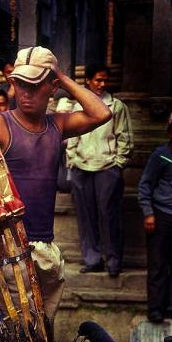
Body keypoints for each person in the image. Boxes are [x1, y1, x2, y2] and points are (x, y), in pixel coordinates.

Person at [0, 46, 111, 323]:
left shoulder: (57, 125)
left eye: (35, 85)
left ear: (52, 87)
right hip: (8, 247)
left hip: (44, 247)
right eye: (21, 84)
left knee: (43, 330)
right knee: (15, 333)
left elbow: (101, 113)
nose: (26, 93)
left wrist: (62, 78)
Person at [66, 63, 133, 277]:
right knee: (86, 216)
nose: (102, 84)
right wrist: (72, 159)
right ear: (88, 81)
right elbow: (72, 135)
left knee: (109, 215)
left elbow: (124, 137)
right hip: (81, 166)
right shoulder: (78, 106)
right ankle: (92, 260)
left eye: (105, 80)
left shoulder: (116, 106)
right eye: (98, 80)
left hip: (107, 167)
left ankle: (113, 261)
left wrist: (118, 163)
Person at [138, 113, 172, 323]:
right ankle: (155, 309)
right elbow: (145, 185)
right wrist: (148, 213)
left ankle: (171, 307)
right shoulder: (161, 155)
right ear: (170, 131)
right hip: (162, 216)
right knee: (158, 264)